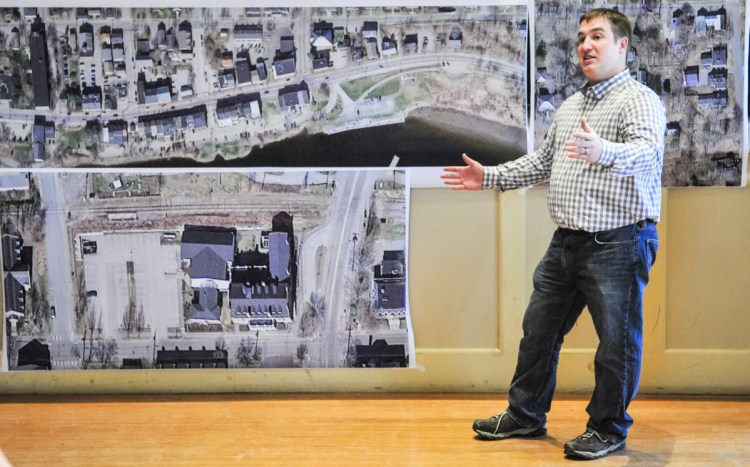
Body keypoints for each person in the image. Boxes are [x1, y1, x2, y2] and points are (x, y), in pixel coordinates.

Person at [441, 8, 666, 461]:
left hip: (619, 242)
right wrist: (488, 176)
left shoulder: (639, 100)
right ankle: (525, 415)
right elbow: (542, 163)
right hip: (566, 242)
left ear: (622, 46)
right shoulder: (571, 106)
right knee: (538, 332)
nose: (586, 45)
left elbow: (646, 153)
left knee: (616, 344)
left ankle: (608, 428)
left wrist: (603, 150)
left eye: (598, 37)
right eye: (582, 37)